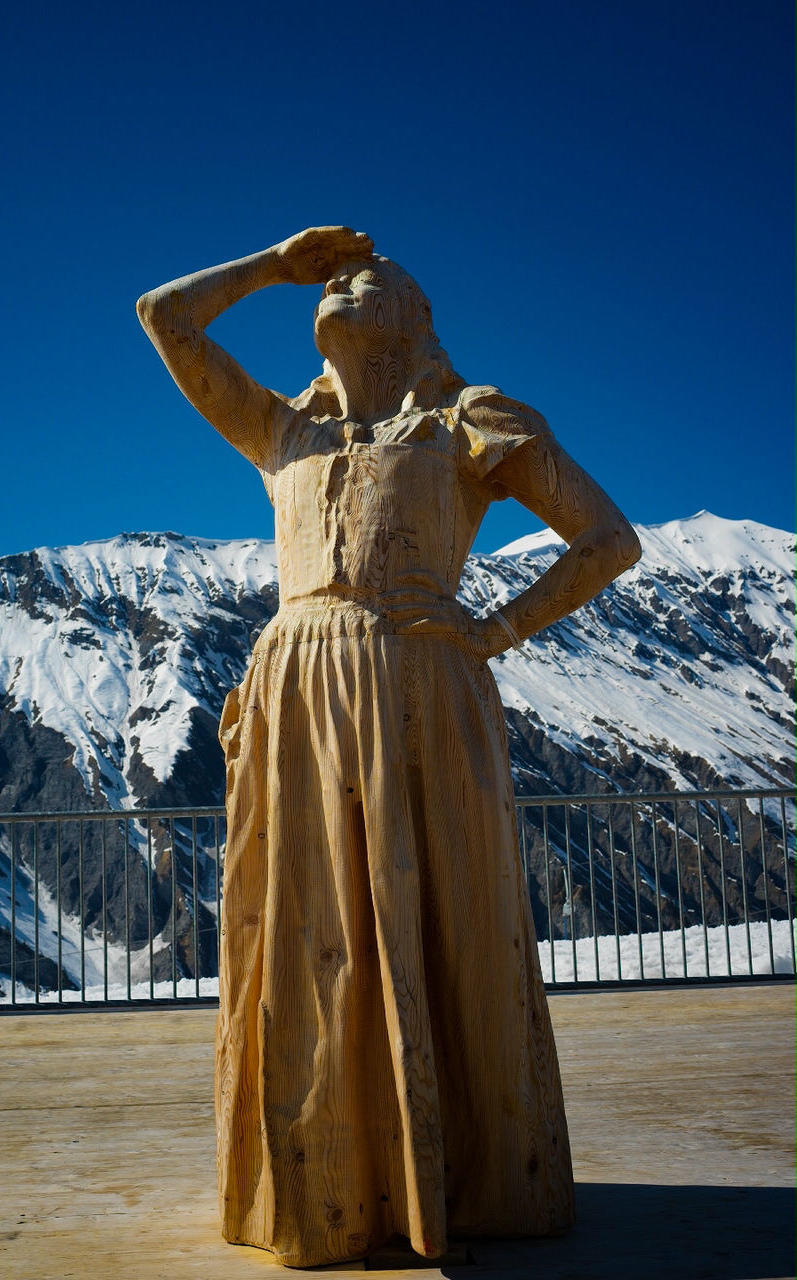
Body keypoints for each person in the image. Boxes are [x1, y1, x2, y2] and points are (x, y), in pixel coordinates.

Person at [137, 227, 641, 1268]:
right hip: (298, 689)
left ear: (419, 322)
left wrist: (496, 628)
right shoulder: (283, 430)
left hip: (423, 681)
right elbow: (164, 317)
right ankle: (327, 1180)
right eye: (331, 278)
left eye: (375, 275)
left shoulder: (467, 420)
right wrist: (276, 263)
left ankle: (473, 1171)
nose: (344, 279)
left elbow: (607, 537)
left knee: (447, 916)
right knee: (305, 930)